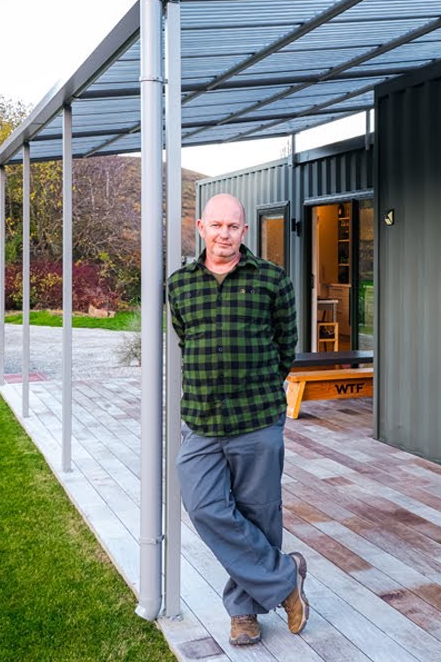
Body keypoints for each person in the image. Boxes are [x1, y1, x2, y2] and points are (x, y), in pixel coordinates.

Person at [166, 193, 306, 646]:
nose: (224, 233)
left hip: (257, 420)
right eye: (217, 225)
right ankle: (286, 579)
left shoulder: (271, 281)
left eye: (233, 226)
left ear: (245, 233)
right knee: (205, 506)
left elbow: (287, 345)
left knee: (258, 512)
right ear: (201, 227)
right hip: (202, 421)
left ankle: (243, 612)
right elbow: (187, 339)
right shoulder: (180, 285)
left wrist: (263, 389)